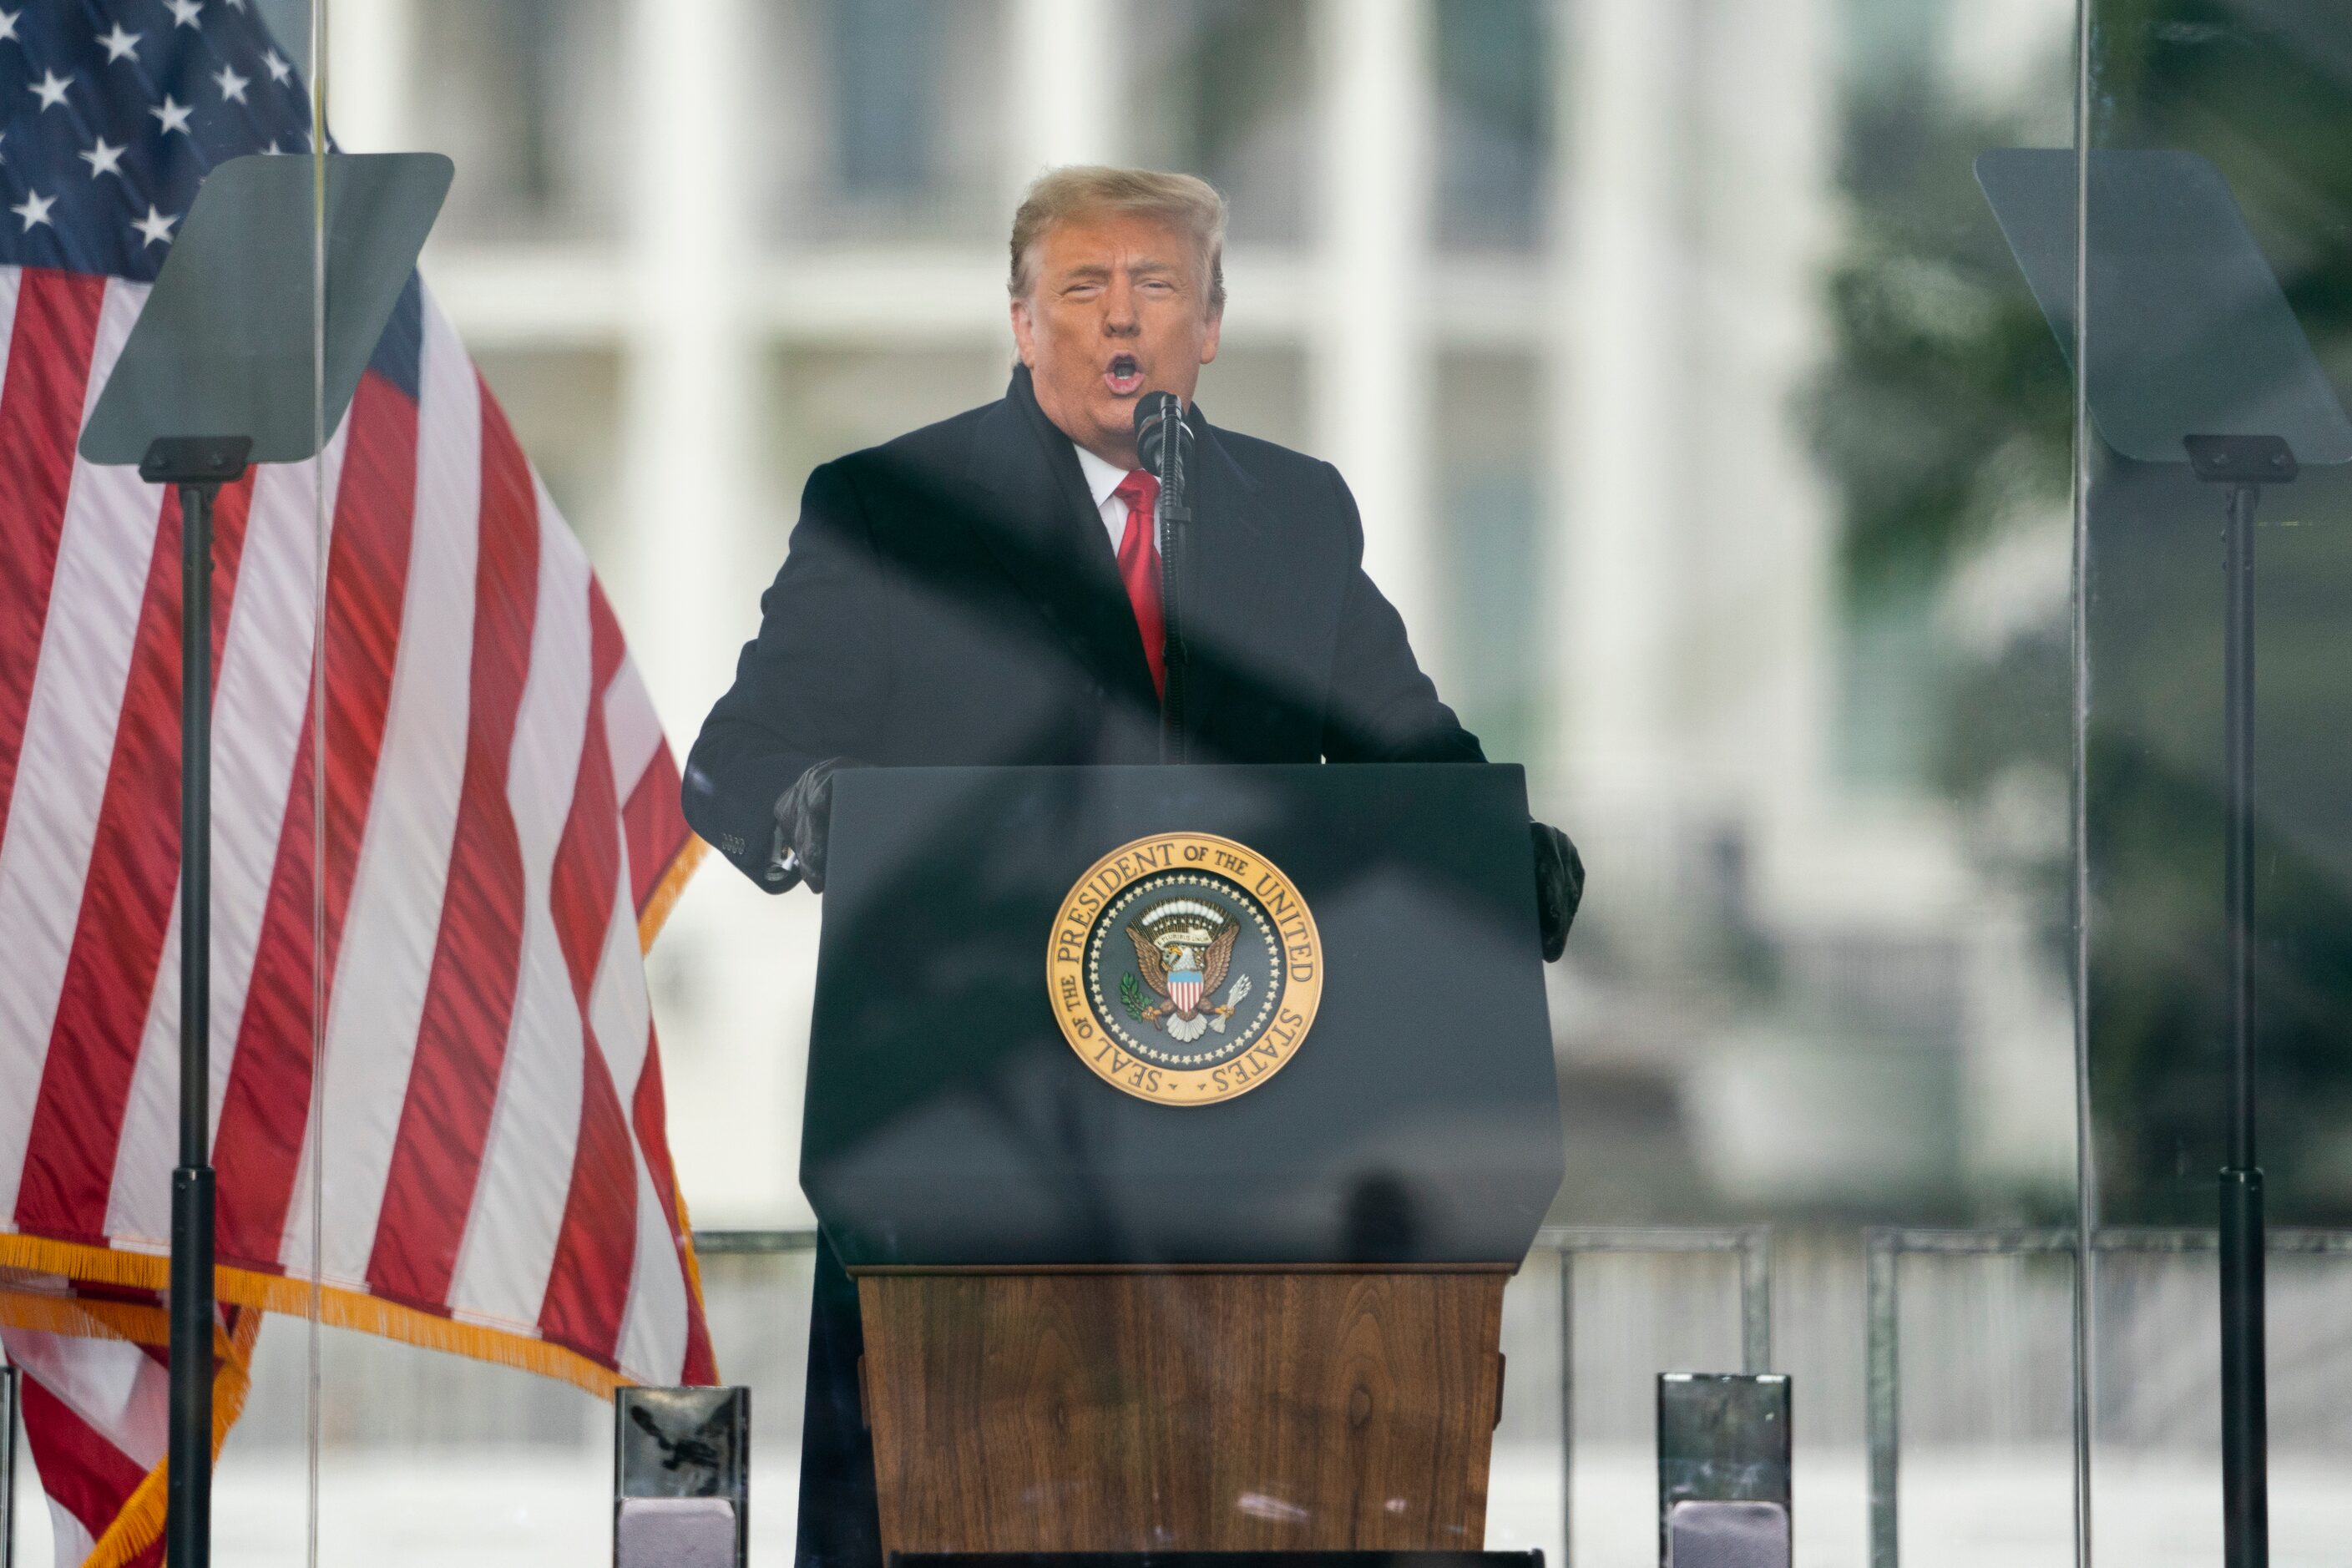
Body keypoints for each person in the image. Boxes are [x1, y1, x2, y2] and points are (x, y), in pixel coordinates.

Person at [682, 165, 1582, 1568]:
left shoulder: (1292, 513)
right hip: (967, 1133)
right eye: (1083, 288)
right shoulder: (888, 508)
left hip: (1255, 1140)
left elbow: (1401, 736)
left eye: (1155, 287)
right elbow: (735, 760)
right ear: (1020, 320)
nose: (1122, 319)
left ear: (1210, 323)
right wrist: (816, 805)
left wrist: (1486, 848)